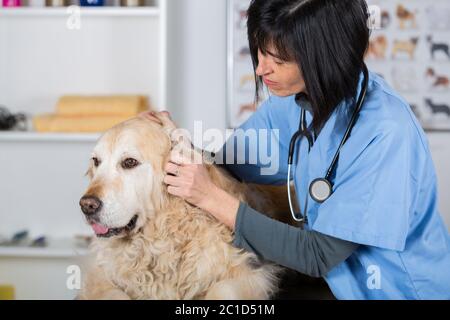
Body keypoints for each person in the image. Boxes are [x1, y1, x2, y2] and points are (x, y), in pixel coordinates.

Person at [143, 0, 450, 300]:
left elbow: (317, 255)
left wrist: (209, 197)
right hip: (341, 285)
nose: (262, 69)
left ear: (325, 56)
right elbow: (227, 165)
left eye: (278, 59)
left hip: (401, 290)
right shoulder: (291, 103)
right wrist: (174, 140)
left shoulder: (385, 132)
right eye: (259, 52)